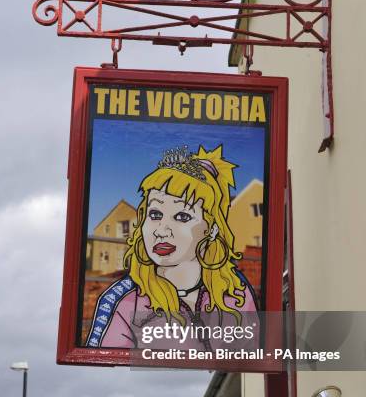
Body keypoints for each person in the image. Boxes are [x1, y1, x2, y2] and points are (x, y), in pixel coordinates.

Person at [85, 144, 258, 350]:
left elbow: (254, 357)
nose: (161, 230)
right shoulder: (121, 301)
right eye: (155, 215)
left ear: (211, 229)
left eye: (182, 216)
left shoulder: (236, 293)